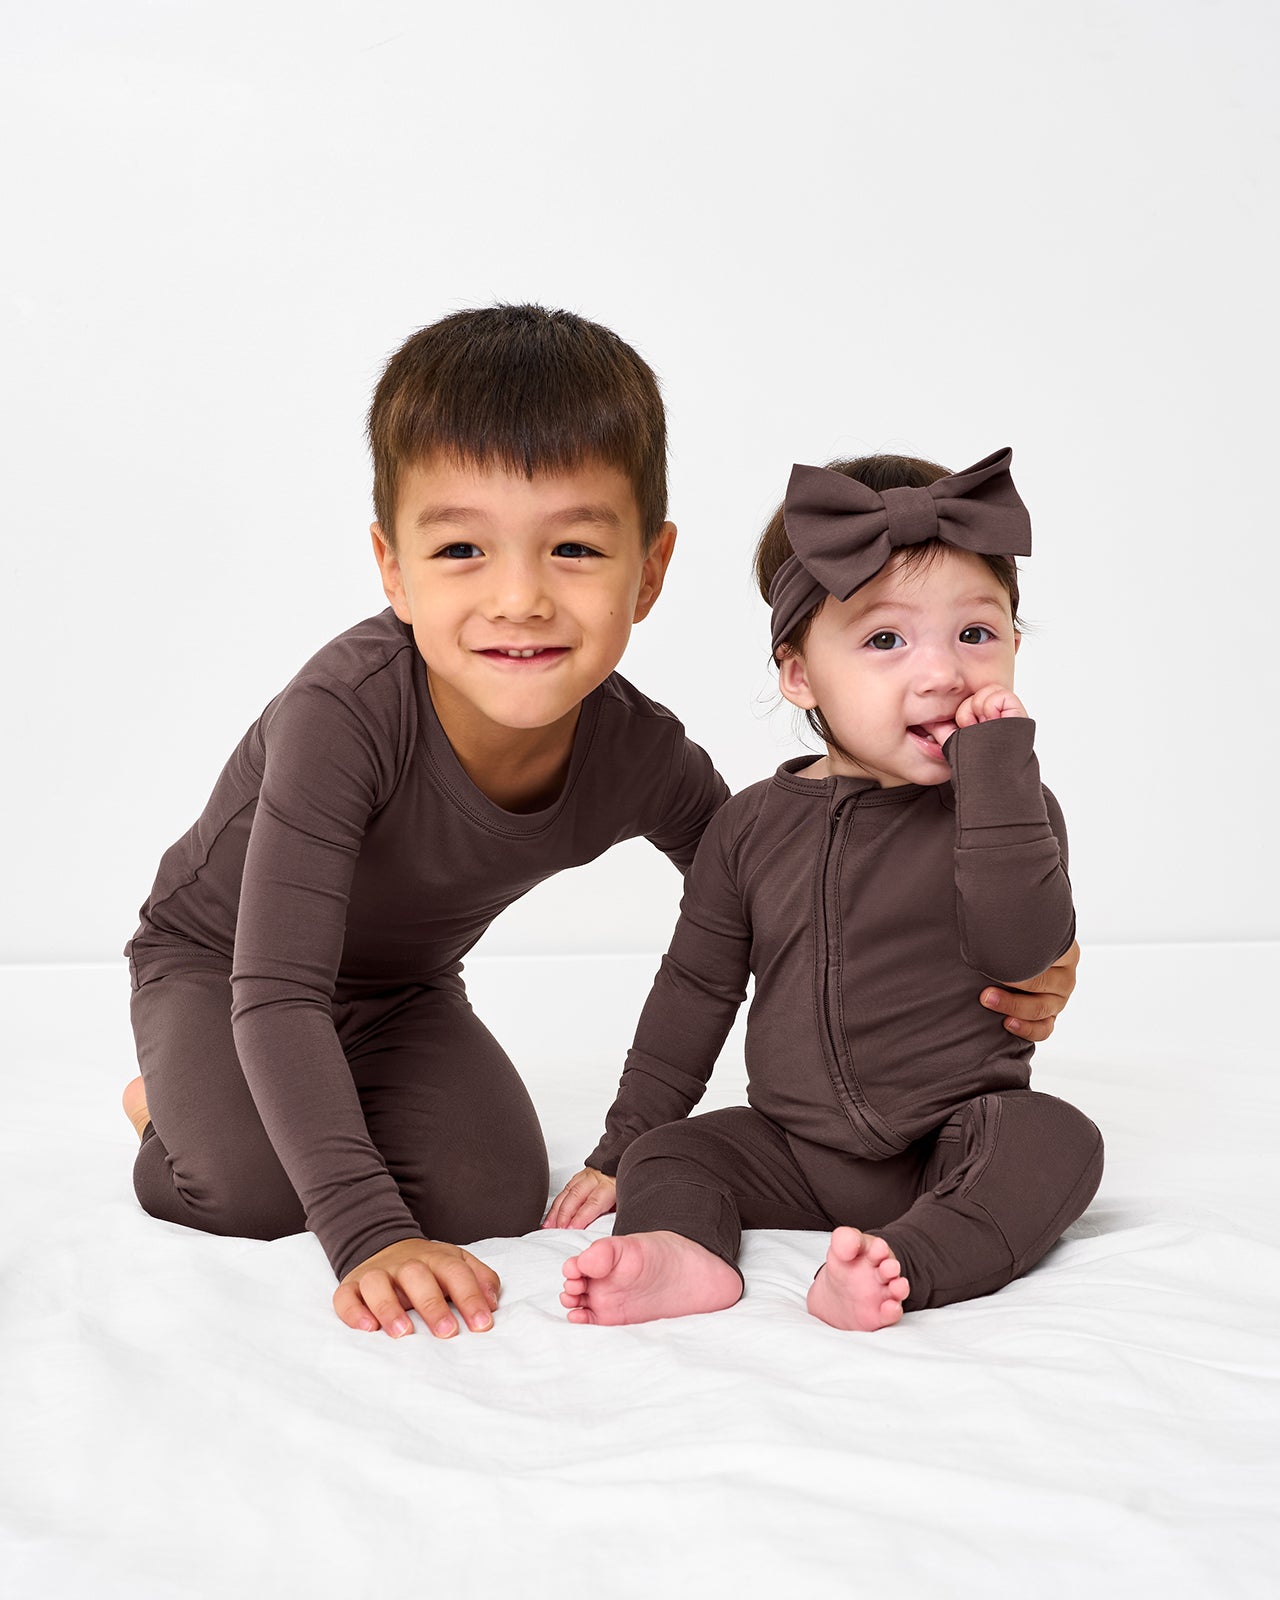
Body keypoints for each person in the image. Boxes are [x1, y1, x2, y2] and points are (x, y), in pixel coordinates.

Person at [122, 309, 1079, 1340]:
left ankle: (305, 1103)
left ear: (650, 571)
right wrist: (367, 1236)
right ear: (391, 567)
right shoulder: (342, 717)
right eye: (459, 549)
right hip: (227, 971)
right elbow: (278, 989)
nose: (520, 598)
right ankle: (163, 1104)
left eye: (573, 547)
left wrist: (1041, 947)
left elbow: (768, 882)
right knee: (254, 1190)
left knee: (488, 1197)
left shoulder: (636, 752)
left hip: (398, 992)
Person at [552, 448, 1102, 1331]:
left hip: (952, 1138)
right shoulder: (750, 827)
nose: (942, 673)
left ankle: (906, 1262)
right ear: (800, 674)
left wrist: (1000, 774)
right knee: (673, 1152)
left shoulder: (1011, 805)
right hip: (793, 1150)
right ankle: (685, 1256)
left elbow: (1020, 947)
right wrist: (621, 1146)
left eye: (977, 633)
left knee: (1056, 1141)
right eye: (886, 640)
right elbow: (695, 991)